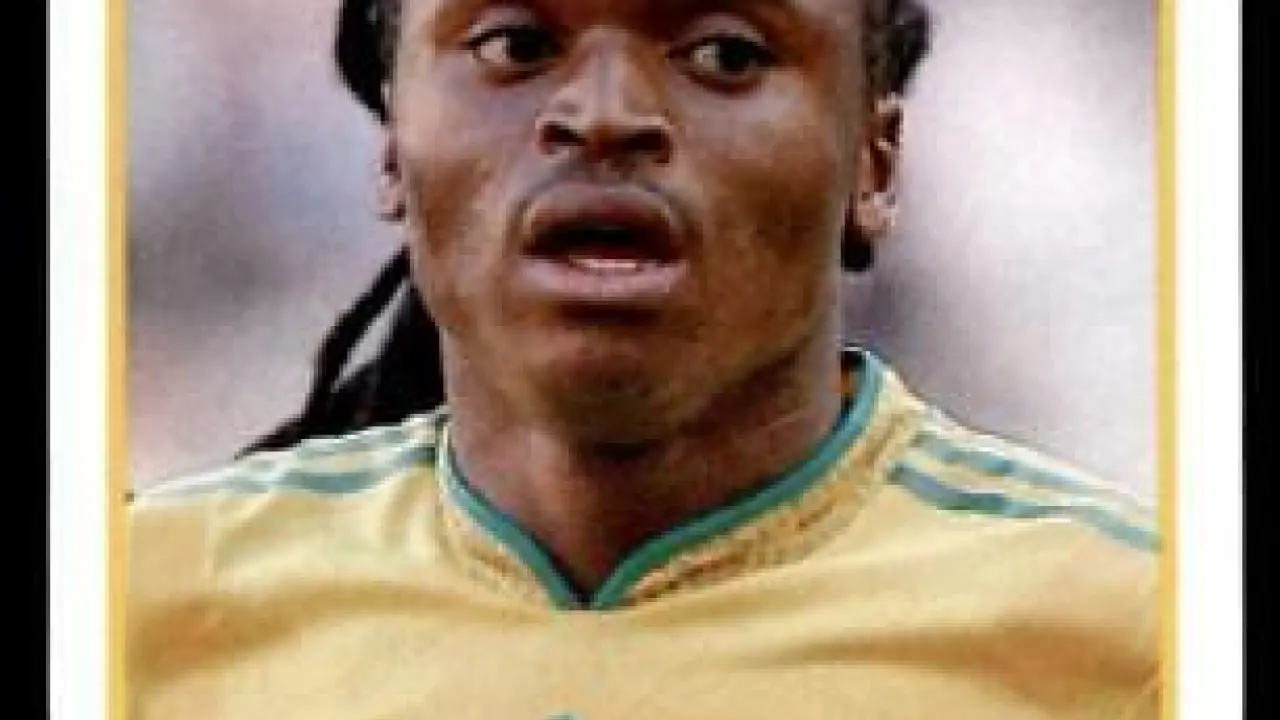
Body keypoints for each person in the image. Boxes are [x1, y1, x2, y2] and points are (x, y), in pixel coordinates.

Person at [127, 0, 1161, 717]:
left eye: (724, 54)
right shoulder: (138, 613)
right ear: (392, 141)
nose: (605, 115)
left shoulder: (1139, 636)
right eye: (514, 43)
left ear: (874, 163)